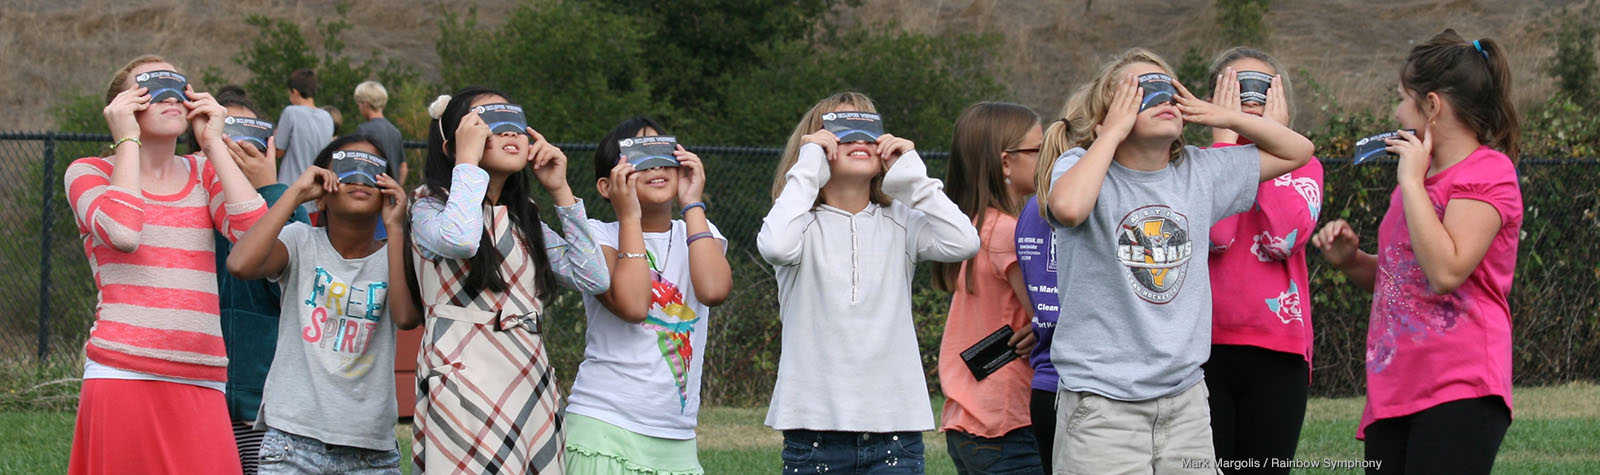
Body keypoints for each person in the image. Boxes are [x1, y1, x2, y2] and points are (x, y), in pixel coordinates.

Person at [1043, 48, 1313, 474]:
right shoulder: (1080, 166)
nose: (1161, 98)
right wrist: (1109, 135)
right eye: (1140, 91)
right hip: (1103, 406)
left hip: (1185, 402)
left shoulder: (1199, 171)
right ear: (1108, 112)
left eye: (1168, 89)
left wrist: (1226, 117)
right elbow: (1070, 208)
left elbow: (1298, 151)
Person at [1311, 29, 1522, 475]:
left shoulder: (1488, 171)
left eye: (1403, 99)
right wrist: (1352, 260)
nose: (1395, 112)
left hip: (1460, 386)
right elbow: (1403, 276)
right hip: (1394, 389)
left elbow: (1446, 271)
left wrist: (1410, 181)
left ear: (1432, 105)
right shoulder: (1418, 180)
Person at [66, 54, 268, 475]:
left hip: (204, 376)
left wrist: (213, 144)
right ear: (122, 105)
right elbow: (123, 232)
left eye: (178, 86)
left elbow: (257, 238)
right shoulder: (89, 172)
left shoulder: (203, 172)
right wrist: (126, 141)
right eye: (152, 87)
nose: (170, 96)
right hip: (122, 373)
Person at [759, 92, 980, 474]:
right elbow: (776, 246)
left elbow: (964, 241)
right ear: (815, 142)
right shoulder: (796, 221)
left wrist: (910, 173)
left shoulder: (903, 220)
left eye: (868, 130)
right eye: (841, 130)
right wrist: (808, 166)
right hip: (813, 428)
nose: (858, 139)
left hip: (895, 427)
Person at [409, 87, 610, 474]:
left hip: (527, 375)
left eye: (515, 122)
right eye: (489, 122)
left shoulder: (524, 216)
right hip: (460, 376)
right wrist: (466, 162)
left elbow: (593, 276)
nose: (510, 132)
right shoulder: (428, 204)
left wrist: (560, 190)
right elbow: (461, 239)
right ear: (454, 142)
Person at [226, 135, 421, 474]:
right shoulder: (300, 240)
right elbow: (240, 264)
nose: (359, 177)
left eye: (373, 169)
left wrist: (397, 227)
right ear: (322, 188)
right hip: (293, 440)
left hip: (371, 449)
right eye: (346, 167)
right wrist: (294, 193)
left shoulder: (395, 252)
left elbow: (406, 318)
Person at [564, 117, 732, 474]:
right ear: (606, 185)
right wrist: (630, 217)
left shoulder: (701, 232)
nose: (654, 164)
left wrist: (693, 203)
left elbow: (714, 290)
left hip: (677, 438)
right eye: (637, 156)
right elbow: (633, 305)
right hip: (604, 428)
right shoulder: (598, 236)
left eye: (662, 152)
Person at [1201, 47, 1324, 474]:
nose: (1251, 98)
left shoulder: (1305, 166)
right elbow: (1216, 237)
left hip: (1278, 351)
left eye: (1264, 88)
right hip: (1204, 348)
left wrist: (1272, 138)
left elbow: (1281, 237)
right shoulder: (1197, 164)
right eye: (1238, 87)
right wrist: (1225, 143)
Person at [932, 102, 1044, 474]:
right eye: (1039, 150)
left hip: (968, 418)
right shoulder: (1010, 233)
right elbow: (1045, 316)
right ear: (1006, 163)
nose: (1049, 159)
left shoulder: (970, 225)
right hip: (1009, 421)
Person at [207, 85, 311, 475]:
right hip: (201, 401)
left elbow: (306, 277)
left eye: (248, 138)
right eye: (222, 136)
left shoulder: (279, 207)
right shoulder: (191, 209)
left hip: (262, 408)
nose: (236, 149)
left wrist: (271, 189)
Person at [274, 68, 334, 186]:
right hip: (316, 186)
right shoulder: (327, 117)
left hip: (291, 183)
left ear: (295, 92)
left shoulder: (291, 112)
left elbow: (278, 151)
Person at [354, 80, 408, 183]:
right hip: (391, 190)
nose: (359, 107)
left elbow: (359, 164)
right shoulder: (395, 131)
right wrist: (398, 188)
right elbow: (403, 167)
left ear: (365, 104)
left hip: (374, 188)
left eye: (358, 104)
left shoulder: (363, 130)